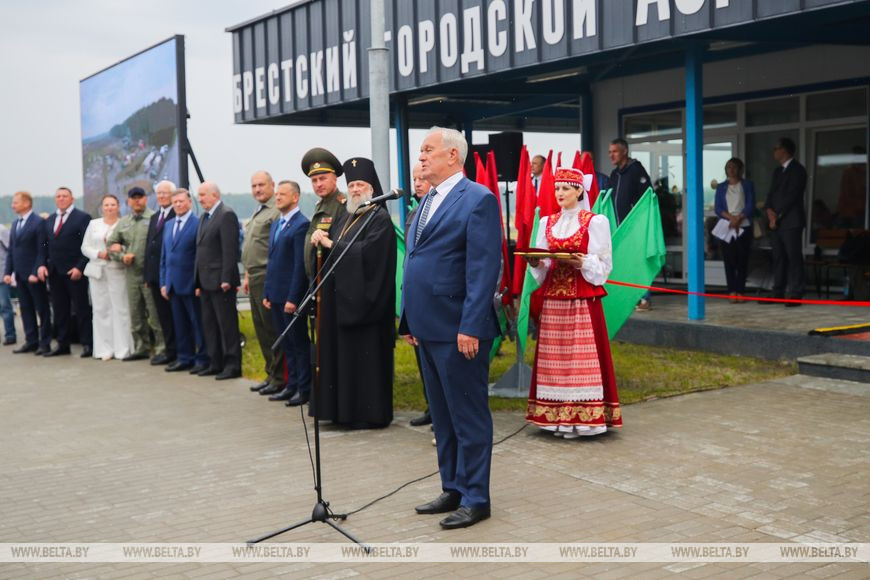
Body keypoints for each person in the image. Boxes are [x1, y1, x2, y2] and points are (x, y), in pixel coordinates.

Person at [400, 127, 502, 530]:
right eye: (420, 151)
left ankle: (477, 497)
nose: (421, 157)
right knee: (442, 416)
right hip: (427, 328)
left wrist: (471, 326)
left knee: (468, 415)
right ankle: (453, 486)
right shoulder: (426, 201)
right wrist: (410, 319)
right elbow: (416, 263)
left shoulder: (478, 199)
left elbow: (482, 269)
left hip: (460, 327)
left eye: (428, 150)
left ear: (454, 156)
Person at [524, 167, 622, 439]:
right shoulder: (547, 222)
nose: (560, 194)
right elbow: (543, 265)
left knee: (581, 360)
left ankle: (583, 420)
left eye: (565, 188)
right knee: (555, 359)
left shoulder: (595, 222)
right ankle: (555, 418)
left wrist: (583, 262)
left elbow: (605, 265)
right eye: (557, 189)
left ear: (579, 191)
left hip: (581, 300)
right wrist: (536, 262)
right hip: (554, 299)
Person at [310, 156, 396, 428]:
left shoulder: (379, 219)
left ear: (372, 188)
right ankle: (342, 412)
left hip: (366, 308)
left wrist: (330, 244)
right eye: (352, 185)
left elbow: (367, 257)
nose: (356, 189)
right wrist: (320, 244)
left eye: (361, 184)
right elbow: (335, 249)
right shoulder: (347, 218)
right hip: (342, 303)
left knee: (364, 365)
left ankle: (367, 415)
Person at [263, 180, 311, 406]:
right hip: (276, 295)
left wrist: (293, 298)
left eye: (283, 194)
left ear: (295, 197)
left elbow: (298, 266)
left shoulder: (301, 225)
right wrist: (267, 292)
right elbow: (273, 261)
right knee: (286, 344)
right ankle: (290, 385)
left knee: (298, 344)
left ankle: (304, 389)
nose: (277, 197)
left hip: (290, 298)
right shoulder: (277, 224)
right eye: (277, 194)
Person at [107, 187, 163, 361]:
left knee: (154, 314)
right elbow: (111, 243)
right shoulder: (124, 222)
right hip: (131, 273)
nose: (137, 201)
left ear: (146, 199)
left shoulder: (154, 218)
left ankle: (161, 348)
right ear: (129, 201)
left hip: (149, 274)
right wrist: (122, 256)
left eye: (140, 197)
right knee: (136, 313)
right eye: (134, 198)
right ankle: (141, 347)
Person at [194, 181, 242, 380]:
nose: (200, 198)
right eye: (199, 195)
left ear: (215, 195)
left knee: (227, 326)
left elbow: (230, 251)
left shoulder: (226, 214)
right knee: (210, 324)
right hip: (205, 282)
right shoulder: (205, 216)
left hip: (221, 282)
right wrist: (197, 282)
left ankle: (232, 365)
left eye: (203, 194)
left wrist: (226, 279)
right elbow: (201, 252)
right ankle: (216, 362)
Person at [241, 171, 283, 394]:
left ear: (272, 185)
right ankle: (271, 373)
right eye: (254, 185)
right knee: (262, 330)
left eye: (261, 185)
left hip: (268, 276)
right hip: (254, 276)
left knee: (273, 329)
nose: (257, 189)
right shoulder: (258, 212)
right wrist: (247, 274)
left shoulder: (276, 211)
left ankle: (280, 377)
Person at [39, 187, 92, 357]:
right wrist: (42, 264)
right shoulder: (50, 220)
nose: (61, 199)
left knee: (81, 309)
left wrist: (80, 267)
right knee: (60, 310)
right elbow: (44, 246)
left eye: (65, 196)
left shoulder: (82, 218)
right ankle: (63, 344)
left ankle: (87, 344)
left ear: (72, 199)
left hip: (74, 272)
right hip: (54, 272)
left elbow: (87, 245)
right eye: (58, 196)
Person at [161, 189, 210, 373]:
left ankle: (202, 358)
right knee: (180, 324)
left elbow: (199, 257)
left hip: (190, 284)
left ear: (189, 202)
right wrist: (164, 282)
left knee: (197, 323)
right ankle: (185, 357)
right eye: (175, 202)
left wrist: (198, 283)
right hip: (172, 284)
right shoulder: (169, 224)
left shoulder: (197, 223)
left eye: (181, 201)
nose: (178, 205)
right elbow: (164, 257)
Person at [80, 195, 133, 360]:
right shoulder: (93, 224)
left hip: (117, 270)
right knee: (101, 310)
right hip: (97, 272)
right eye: (106, 205)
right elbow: (85, 247)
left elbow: (130, 245)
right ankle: (104, 349)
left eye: (112, 205)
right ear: (102, 207)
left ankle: (123, 349)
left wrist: (120, 250)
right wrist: (98, 254)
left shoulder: (125, 223)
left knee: (121, 309)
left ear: (118, 207)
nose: (109, 207)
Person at [608, 138, 653, 310]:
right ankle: (629, 297)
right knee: (624, 264)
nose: (611, 155)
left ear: (624, 151)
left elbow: (647, 197)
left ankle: (645, 298)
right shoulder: (614, 174)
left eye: (615, 151)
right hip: (618, 228)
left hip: (634, 228)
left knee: (638, 263)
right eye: (610, 152)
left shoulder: (636, 170)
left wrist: (638, 222)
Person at [4, 191, 51, 354]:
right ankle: (31, 340)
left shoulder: (38, 222)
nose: (13, 205)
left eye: (16, 202)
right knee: (25, 309)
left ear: (27, 203)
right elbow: (11, 251)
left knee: (42, 309)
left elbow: (42, 249)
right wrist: (8, 272)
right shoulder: (16, 223)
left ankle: (45, 343)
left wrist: (35, 270)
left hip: (34, 275)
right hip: (19, 275)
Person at [763, 137, 807, 306]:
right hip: (776, 222)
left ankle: (796, 293)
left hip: (791, 221)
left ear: (785, 150)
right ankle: (778, 291)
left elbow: (793, 196)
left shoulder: (798, 170)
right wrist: (768, 210)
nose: (774, 151)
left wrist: (777, 215)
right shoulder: (777, 171)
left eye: (776, 148)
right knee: (778, 257)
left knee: (793, 256)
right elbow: (771, 194)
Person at [405, 163, 433, 428]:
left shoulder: (440, 212)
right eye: (414, 179)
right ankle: (430, 406)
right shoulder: (414, 213)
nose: (417, 183)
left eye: (422, 178)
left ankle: (441, 413)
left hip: (436, 300)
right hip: (417, 300)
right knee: (422, 360)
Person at [143, 181, 177, 366]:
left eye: (166, 193)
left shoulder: (176, 214)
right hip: (155, 276)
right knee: (162, 316)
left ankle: (178, 352)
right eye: (160, 193)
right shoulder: (156, 217)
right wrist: (148, 275)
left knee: (174, 317)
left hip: (170, 276)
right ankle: (169, 351)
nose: (162, 196)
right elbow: (150, 246)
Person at [714, 158, 756, 302]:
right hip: (727, 227)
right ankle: (731, 291)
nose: (731, 169)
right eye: (728, 167)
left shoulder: (747, 185)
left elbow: (751, 205)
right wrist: (731, 218)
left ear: (740, 169)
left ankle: (741, 291)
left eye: (734, 167)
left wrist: (739, 218)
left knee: (742, 260)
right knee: (729, 259)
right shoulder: (721, 187)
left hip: (743, 225)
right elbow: (718, 208)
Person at [302, 147, 347, 281]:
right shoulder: (320, 205)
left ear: (335, 179)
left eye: (322, 178)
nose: (318, 184)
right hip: (317, 278)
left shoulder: (343, 205)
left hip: (332, 278)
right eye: (314, 180)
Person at [0, 223, 16, 345]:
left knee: (5, 306)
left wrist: (8, 272)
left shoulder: (2, 230)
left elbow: (11, 250)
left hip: (1, 275)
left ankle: (10, 335)